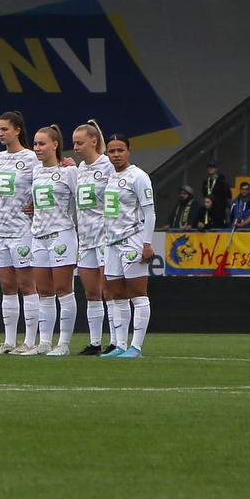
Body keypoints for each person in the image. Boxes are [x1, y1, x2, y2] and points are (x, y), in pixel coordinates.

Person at [23, 125, 78, 356]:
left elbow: (82, 201)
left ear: (55, 145)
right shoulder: (36, 171)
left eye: (42, 143)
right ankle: (44, 342)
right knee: (44, 291)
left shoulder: (68, 170)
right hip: (38, 236)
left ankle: (63, 344)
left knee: (63, 289)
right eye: (35, 144)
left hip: (62, 234)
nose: (37, 148)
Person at [0, 111, 40, 355]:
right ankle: (9, 341)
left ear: (17, 130)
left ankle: (28, 341)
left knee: (26, 286)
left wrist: (36, 206)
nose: (0, 133)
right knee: (7, 286)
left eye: (5, 129)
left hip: (22, 229)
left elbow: (46, 181)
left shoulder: (31, 157)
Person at [99, 134, 155, 359]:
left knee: (138, 294)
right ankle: (120, 345)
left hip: (132, 239)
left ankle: (137, 347)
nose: (116, 154)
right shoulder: (110, 176)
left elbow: (149, 212)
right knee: (117, 295)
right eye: (112, 151)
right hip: (111, 243)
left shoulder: (139, 176)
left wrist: (147, 242)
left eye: (120, 150)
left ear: (129, 151)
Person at [63, 119, 116, 356]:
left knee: (110, 291)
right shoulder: (78, 169)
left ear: (94, 142)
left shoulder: (108, 166)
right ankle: (95, 343)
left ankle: (116, 342)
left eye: (80, 142)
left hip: (105, 237)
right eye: (74, 143)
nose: (75, 147)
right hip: (84, 239)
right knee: (92, 293)